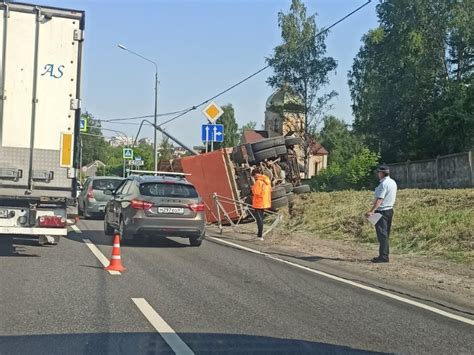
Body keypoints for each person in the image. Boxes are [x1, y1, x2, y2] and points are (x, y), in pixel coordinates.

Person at [366, 165, 398, 263]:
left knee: (382, 235)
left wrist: (372, 211)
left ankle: (383, 256)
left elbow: (380, 199)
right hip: (389, 210)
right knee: (385, 234)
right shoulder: (392, 182)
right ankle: (384, 254)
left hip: (382, 211)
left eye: (379, 172)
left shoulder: (383, 184)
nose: (378, 174)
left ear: (381, 173)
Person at [251, 167, 272, 241]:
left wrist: (252, 187)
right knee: (261, 219)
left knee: (259, 220)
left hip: (258, 203)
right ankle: (260, 234)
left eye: (254, 176)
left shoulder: (258, 182)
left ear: (256, 174)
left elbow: (256, 192)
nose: (254, 177)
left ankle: (260, 235)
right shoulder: (267, 181)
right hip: (264, 202)